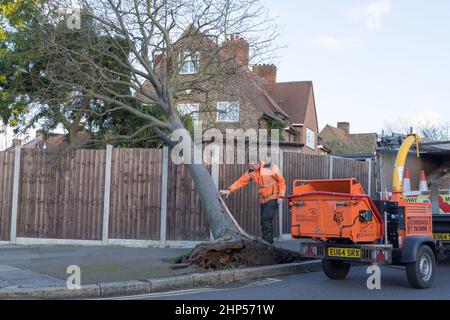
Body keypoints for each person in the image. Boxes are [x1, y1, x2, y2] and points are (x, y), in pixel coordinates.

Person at [220, 161, 286, 244]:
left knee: (266, 218)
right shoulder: (251, 172)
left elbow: (281, 181)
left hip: (274, 196)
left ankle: (268, 242)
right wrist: (229, 190)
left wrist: (281, 196)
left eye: (253, 165)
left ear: (258, 163)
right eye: (250, 165)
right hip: (263, 199)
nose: (252, 167)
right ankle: (266, 240)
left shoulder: (271, 167)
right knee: (263, 220)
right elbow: (241, 181)